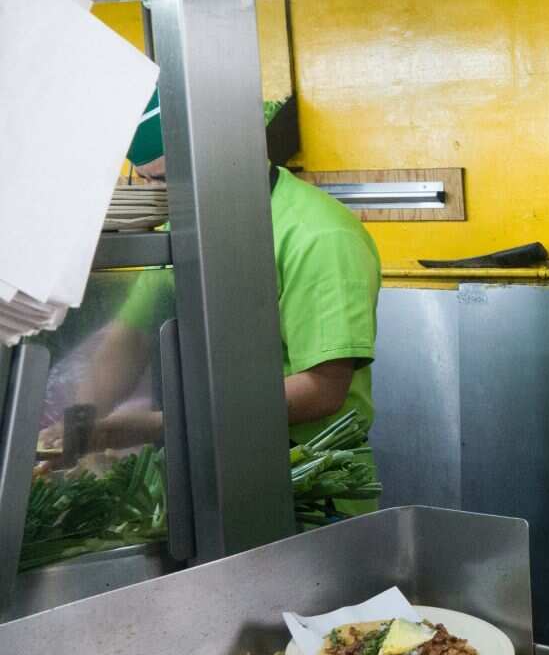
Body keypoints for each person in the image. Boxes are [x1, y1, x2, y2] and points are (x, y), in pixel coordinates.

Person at [77, 92, 382, 484]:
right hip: (205, 467)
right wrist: (78, 427)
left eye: (166, 180)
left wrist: (160, 424)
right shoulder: (185, 225)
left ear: (220, 155)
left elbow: (322, 389)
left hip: (303, 479)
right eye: (146, 180)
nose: (158, 194)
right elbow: (129, 338)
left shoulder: (320, 236)